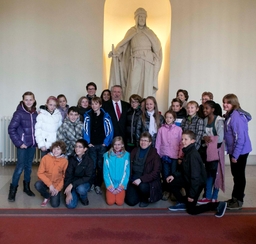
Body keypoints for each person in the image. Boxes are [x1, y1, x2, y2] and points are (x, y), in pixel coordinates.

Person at [167, 130, 227, 218]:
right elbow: (184, 169)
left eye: (186, 139)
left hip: (197, 184)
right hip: (188, 179)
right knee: (170, 182)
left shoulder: (193, 155)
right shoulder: (187, 151)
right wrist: (173, 175)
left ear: (193, 141)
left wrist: (191, 195)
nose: (183, 141)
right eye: (182, 139)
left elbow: (195, 178)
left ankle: (217, 205)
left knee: (192, 210)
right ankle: (183, 203)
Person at [108, 8, 162, 101]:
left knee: (146, 85)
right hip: (135, 61)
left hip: (148, 61)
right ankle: (130, 105)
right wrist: (116, 52)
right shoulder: (132, 31)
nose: (141, 19)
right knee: (133, 84)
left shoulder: (150, 32)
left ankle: (146, 105)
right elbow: (123, 44)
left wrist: (156, 59)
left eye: (143, 17)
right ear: (136, 18)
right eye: (140, 17)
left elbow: (157, 48)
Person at [223, 94, 252, 210]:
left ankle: (238, 200)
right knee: (236, 176)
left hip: (240, 151)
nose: (225, 104)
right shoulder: (230, 115)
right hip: (234, 150)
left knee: (239, 177)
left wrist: (235, 155)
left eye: (228, 103)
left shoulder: (236, 117)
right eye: (224, 102)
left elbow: (240, 138)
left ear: (234, 103)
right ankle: (235, 197)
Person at [8, 91, 38, 202]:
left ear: (34, 100)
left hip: (32, 145)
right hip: (23, 146)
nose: (29, 102)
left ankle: (26, 187)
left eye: (31, 99)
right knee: (20, 167)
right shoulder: (18, 113)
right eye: (26, 99)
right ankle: (12, 191)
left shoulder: (35, 113)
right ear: (23, 100)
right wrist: (20, 143)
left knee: (28, 167)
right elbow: (11, 129)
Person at [84, 97, 114, 194]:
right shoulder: (88, 115)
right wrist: (88, 142)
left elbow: (110, 130)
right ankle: (91, 183)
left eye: (96, 104)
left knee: (101, 166)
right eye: (92, 104)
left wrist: (106, 142)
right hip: (91, 145)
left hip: (102, 145)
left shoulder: (105, 116)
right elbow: (85, 130)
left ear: (100, 105)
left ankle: (98, 184)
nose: (94, 106)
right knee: (92, 166)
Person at [197, 101, 225, 204]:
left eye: (207, 108)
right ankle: (208, 196)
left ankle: (215, 196)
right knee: (208, 174)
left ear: (212, 109)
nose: (204, 110)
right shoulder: (205, 120)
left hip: (217, 151)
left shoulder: (219, 120)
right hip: (208, 151)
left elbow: (220, 138)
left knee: (216, 174)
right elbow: (204, 133)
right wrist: (204, 137)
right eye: (204, 108)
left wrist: (209, 140)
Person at [125, 132, 162, 207]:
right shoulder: (134, 151)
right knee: (130, 202)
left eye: (146, 141)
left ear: (150, 143)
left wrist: (141, 179)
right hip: (134, 178)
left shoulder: (154, 155)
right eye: (142, 140)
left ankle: (145, 199)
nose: (143, 142)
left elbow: (156, 173)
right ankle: (138, 194)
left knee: (143, 187)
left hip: (147, 180)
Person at [155, 110, 183, 200]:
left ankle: (173, 191)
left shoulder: (179, 130)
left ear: (174, 118)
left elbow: (181, 143)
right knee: (165, 173)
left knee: (173, 174)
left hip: (175, 156)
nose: (168, 119)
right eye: (167, 117)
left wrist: (180, 156)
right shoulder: (161, 129)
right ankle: (167, 190)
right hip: (164, 155)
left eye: (170, 117)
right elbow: (158, 143)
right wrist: (157, 155)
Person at [34, 141, 68, 208]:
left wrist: (57, 189)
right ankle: (47, 196)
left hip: (56, 185)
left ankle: (56, 193)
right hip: (46, 182)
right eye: (54, 149)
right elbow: (40, 173)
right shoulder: (45, 158)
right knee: (37, 185)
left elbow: (65, 177)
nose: (56, 151)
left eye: (58, 149)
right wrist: (50, 185)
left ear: (62, 151)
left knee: (55, 205)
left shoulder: (65, 161)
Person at [64, 139, 94, 208]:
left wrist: (72, 185)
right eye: (76, 146)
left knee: (81, 189)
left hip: (84, 183)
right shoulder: (71, 159)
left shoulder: (89, 161)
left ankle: (83, 197)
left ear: (85, 149)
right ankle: (76, 194)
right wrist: (68, 192)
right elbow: (68, 175)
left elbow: (87, 177)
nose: (77, 149)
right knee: (70, 205)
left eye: (80, 147)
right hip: (73, 182)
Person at [103, 137, 130, 206]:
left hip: (120, 184)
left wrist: (121, 186)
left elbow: (126, 173)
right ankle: (110, 191)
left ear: (122, 145)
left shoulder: (126, 155)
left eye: (119, 144)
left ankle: (120, 191)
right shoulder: (107, 155)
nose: (117, 146)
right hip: (111, 184)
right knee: (110, 202)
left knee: (119, 203)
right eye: (115, 144)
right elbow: (106, 173)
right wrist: (110, 186)